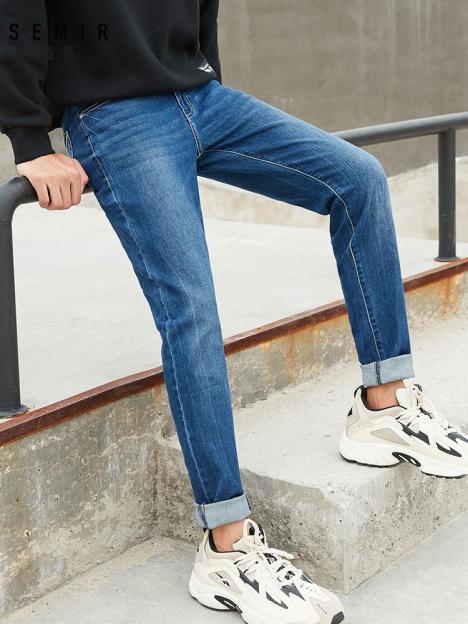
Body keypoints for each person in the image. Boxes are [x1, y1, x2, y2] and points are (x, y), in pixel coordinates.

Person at [2, 2, 467, 623]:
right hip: (112, 116)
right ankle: (226, 548)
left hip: (202, 97)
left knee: (359, 178)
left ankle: (382, 407)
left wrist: (203, 70)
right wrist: (30, 139)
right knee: (192, 309)